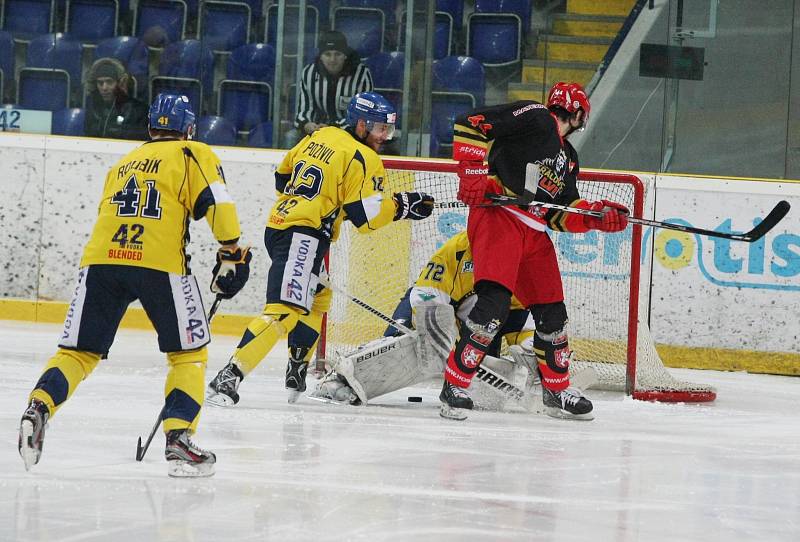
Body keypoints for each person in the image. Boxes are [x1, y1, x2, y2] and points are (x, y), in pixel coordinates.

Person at [18, 94, 252, 478]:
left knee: (78, 353)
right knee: (188, 355)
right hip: (159, 263)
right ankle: (179, 438)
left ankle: (39, 406)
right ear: (188, 128)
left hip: (101, 261)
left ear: (150, 129)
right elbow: (217, 202)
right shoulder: (193, 151)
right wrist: (231, 250)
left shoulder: (125, 161)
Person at [206, 91, 434, 407]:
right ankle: (228, 378)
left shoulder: (321, 135)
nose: (385, 136)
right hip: (304, 237)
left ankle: (297, 367)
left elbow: (281, 175)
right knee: (283, 311)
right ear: (361, 124)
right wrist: (403, 206)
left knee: (317, 298)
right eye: (380, 128)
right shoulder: (364, 157)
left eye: (388, 129)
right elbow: (366, 219)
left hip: (281, 226)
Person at [439, 81, 629, 421]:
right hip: (500, 217)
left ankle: (556, 390)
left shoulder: (568, 158)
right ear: (580, 114)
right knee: (493, 306)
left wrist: (594, 216)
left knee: (552, 312)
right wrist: (471, 174)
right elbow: (471, 122)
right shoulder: (536, 117)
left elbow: (559, 211)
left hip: (535, 229)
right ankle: (455, 383)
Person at [288, 30, 374, 146]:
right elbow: (304, 109)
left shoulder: (361, 74)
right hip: (317, 131)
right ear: (320, 56)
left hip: (349, 134)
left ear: (345, 55)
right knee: (291, 137)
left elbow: (363, 116)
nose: (332, 60)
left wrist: (334, 127)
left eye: (337, 54)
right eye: (327, 54)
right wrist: (307, 124)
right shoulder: (309, 73)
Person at [84, 57, 149, 140]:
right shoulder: (93, 110)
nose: (104, 88)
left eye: (109, 82)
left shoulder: (139, 110)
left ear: (120, 83)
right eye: (100, 83)